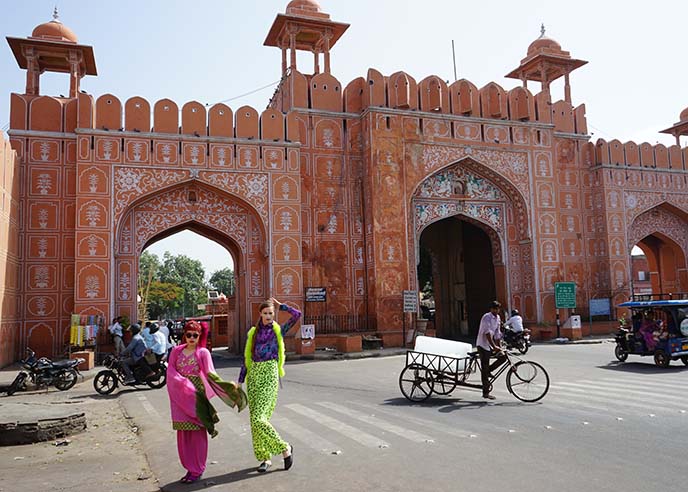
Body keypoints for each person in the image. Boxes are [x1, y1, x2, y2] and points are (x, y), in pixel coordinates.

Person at [167, 320, 247, 484]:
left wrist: (228, 386)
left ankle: (197, 469)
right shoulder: (176, 351)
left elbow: (211, 374)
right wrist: (182, 383)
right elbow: (171, 372)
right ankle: (189, 468)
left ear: (199, 336)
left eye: (195, 335)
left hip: (196, 397)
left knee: (197, 433)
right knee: (183, 433)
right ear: (184, 335)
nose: (191, 338)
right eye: (188, 334)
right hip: (179, 396)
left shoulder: (203, 353)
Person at [239, 297, 301, 473]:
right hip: (254, 376)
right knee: (255, 421)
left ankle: (285, 448)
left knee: (260, 419)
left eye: (271, 313)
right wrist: (240, 380)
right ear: (260, 314)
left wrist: (282, 306)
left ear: (274, 314)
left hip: (269, 374)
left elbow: (297, 315)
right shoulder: (253, 333)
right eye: (265, 313)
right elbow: (247, 358)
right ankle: (265, 458)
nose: (268, 316)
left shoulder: (278, 331)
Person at [476, 300, 507, 400]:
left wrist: (499, 347)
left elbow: (497, 333)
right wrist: (494, 346)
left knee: (503, 357)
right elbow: (487, 333)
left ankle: (489, 370)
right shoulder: (486, 317)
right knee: (484, 367)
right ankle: (486, 392)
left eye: (498, 309)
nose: (496, 310)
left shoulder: (498, 318)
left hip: (490, 345)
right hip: (482, 345)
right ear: (491, 309)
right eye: (495, 308)